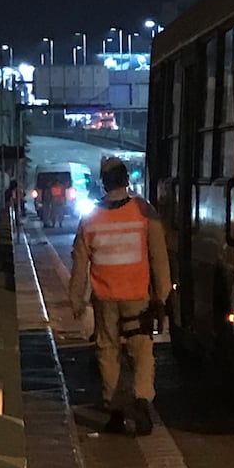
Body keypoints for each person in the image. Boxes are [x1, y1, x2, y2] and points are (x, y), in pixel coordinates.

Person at [69, 157, 171, 436]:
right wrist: (161, 296)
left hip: (105, 298)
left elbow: (79, 262)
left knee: (107, 350)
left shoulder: (90, 217)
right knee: (141, 349)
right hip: (137, 296)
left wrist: (77, 301)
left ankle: (114, 409)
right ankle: (141, 398)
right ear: (126, 180)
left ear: (104, 183)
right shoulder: (143, 211)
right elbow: (158, 257)